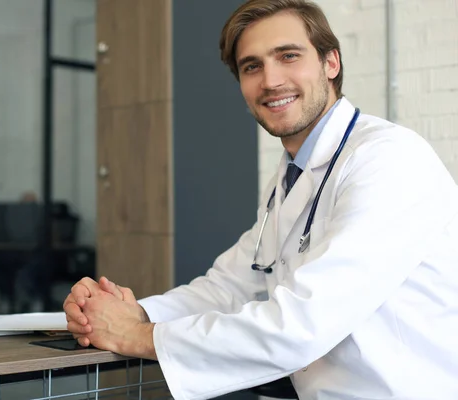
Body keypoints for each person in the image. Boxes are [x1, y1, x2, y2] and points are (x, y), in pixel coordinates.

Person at [64, 0, 458, 399]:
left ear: (331, 63)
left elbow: (304, 323)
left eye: (288, 56)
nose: (270, 80)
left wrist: (138, 335)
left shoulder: (388, 160)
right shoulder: (290, 174)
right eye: (252, 66)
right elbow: (232, 287)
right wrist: (134, 313)